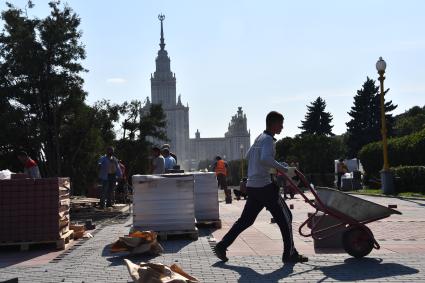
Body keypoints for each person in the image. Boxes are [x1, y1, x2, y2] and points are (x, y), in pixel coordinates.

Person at [214, 111, 308, 263]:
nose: (282, 127)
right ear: (273, 124)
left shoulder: (259, 138)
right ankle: (289, 254)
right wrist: (283, 169)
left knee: (245, 220)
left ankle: (222, 246)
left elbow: (250, 156)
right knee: (286, 218)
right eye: (280, 123)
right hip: (265, 186)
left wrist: (271, 167)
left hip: (253, 186)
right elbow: (265, 158)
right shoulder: (268, 140)